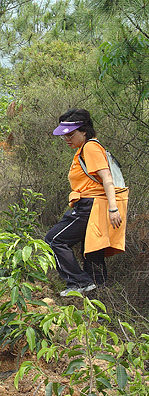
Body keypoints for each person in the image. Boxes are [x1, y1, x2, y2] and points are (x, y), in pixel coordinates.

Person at [45, 109, 128, 297]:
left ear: (84, 131)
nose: (67, 139)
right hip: (92, 205)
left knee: (54, 239)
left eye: (71, 134)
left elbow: (107, 178)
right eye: (64, 135)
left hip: (91, 206)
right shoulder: (84, 149)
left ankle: (79, 282)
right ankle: (98, 297)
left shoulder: (90, 147)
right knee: (92, 252)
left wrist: (113, 208)